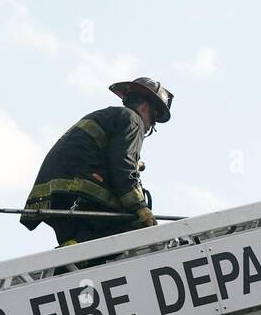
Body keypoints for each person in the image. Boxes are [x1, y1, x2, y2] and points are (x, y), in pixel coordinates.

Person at [20, 77, 173, 246]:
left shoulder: (110, 116)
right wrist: (140, 207)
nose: (150, 126)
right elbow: (123, 166)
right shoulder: (133, 120)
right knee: (132, 227)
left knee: (80, 243)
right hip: (82, 191)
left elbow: (103, 156)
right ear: (144, 106)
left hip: (52, 195)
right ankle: (80, 247)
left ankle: (75, 251)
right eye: (153, 119)